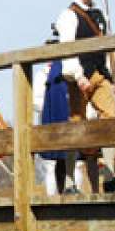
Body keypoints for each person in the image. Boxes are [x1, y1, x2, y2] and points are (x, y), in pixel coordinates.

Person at [54, 0, 115, 193]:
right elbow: (68, 48)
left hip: (99, 74)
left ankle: (109, 176)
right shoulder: (68, 15)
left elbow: (107, 47)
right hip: (81, 76)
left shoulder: (99, 15)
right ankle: (69, 183)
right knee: (76, 127)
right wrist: (77, 76)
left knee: (110, 119)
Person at [32, 25, 72, 194]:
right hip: (48, 119)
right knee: (50, 165)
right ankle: (51, 198)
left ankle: (67, 193)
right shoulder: (41, 75)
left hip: (65, 118)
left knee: (69, 161)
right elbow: (36, 101)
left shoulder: (66, 70)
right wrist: (49, 107)